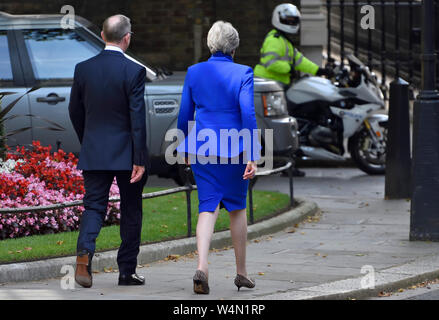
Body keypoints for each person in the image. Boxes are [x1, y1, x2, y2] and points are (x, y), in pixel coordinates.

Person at [177, 21, 259, 294]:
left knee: (207, 207)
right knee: (237, 209)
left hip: (201, 148)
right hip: (234, 150)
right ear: (234, 48)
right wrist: (253, 153)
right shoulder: (243, 72)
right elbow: (247, 114)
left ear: (210, 45)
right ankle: (241, 272)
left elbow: (185, 113)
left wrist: (183, 148)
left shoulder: (194, 71)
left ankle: (202, 265)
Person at [69, 14, 149, 288]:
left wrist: (87, 139)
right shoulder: (134, 71)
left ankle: (83, 258)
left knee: (93, 206)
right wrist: (139, 158)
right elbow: (137, 118)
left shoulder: (83, 69)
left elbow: (74, 111)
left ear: (102, 36)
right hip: (127, 154)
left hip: (95, 150)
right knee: (131, 210)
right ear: (127, 38)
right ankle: (126, 271)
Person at [254, 3, 333, 177]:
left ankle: (289, 161)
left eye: (293, 20)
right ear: (279, 19)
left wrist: (320, 70)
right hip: (270, 87)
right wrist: (289, 69)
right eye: (287, 20)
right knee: (286, 123)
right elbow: (271, 63)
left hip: (279, 86)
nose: (291, 23)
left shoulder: (285, 42)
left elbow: (300, 61)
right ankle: (287, 164)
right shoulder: (274, 40)